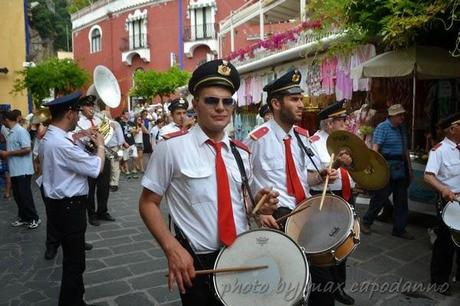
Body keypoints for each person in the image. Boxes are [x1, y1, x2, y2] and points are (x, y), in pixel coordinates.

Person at [139, 59, 279, 306]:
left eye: (227, 101)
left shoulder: (241, 152)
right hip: (198, 260)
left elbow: (240, 203)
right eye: (211, 101)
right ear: (196, 105)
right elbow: (148, 203)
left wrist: (257, 205)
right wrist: (172, 249)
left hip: (241, 254)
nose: (220, 108)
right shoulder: (171, 148)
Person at [38, 92, 104, 306]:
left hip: (58, 206)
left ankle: (78, 299)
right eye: (76, 112)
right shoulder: (61, 144)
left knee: (73, 259)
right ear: (69, 113)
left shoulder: (52, 137)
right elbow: (95, 168)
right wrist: (101, 146)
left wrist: (86, 143)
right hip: (70, 207)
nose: (78, 117)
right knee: (75, 264)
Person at [308, 100, 356, 305]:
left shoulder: (345, 140)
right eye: (342, 120)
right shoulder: (314, 142)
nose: (346, 122)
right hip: (325, 200)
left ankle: (339, 288)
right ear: (329, 123)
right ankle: (325, 287)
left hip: (345, 197)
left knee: (344, 242)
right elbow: (310, 176)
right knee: (327, 246)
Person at [361, 104, 414, 239]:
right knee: (380, 197)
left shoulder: (401, 129)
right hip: (386, 168)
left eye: (402, 115)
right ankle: (366, 222)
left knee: (401, 200)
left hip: (401, 168)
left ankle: (399, 229)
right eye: (399, 115)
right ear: (392, 116)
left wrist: (410, 168)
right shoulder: (382, 127)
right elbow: (375, 149)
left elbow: (405, 150)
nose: (402, 117)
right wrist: (374, 168)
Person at [424, 112, 460, 295]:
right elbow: (428, 177)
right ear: (453, 129)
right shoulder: (439, 150)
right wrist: (444, 189)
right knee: (446, 243)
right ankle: (439, 281)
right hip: (448, 202)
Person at [75, 97, 115, 226]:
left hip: (103, 155)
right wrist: (87, 134)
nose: (91, 108)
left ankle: (102, 211)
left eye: (92, 105)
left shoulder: (99, 119)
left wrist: (110, 126)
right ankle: (91, 214)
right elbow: (75, 137)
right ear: (81, 107)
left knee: (104, 187)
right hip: (88, 157)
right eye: (88, 106)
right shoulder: (78, 122)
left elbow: (108, 134)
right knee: (90, 189)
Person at [0, 110, 40, 229]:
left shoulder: (20, 131)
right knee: (18, 196)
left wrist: (8, 153)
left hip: (23, 170)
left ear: (6, 120)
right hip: (15, 170)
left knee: (25, 196)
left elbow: (27, 149)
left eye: (2, 121)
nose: (2, 123)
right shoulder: (11, 132)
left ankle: (34, 218)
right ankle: (24, 217)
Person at [105, 112, 126, 192]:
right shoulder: (101, 124)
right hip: (104, 148)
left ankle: (114, 183)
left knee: (114, 166)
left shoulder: (115, 124)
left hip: (114, 148)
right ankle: (109, 181)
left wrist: (120, 148)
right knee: (107, 166)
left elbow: (120, 136)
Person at [119, 110, 138, 178]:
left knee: (135, 156)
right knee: (125, 158)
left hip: (132, 142)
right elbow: (120, 135)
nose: (128, 115)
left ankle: (134, 169)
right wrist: (124, 142)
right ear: (123, 115)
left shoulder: (131, 123)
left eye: (128, 114)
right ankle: (127, 170)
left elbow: (134, 132)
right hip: (125, 143)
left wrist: (135, 131)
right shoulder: (120, 124)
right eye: (126, 114)